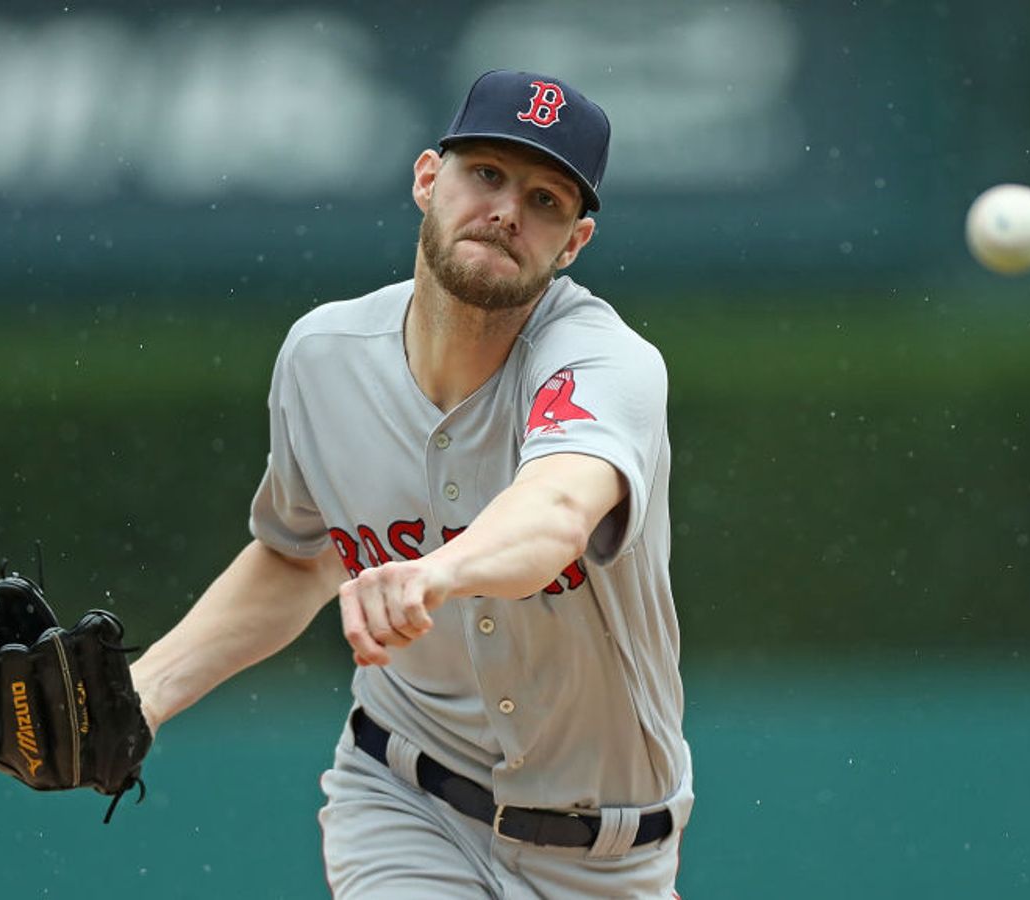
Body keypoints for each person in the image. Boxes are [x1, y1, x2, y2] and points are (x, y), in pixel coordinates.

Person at [129, 69, 691, 898]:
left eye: (545, 200)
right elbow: (297, 556)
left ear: (574, 245)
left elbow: (560, 510)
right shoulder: (322, 358)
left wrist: (439, 571)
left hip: (609, 859)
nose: (506, 211)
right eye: (487, 174)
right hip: (404, 800)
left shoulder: (606, 363)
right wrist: (139, 696)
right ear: (429, 178)